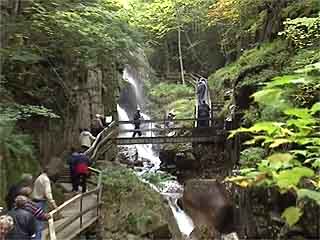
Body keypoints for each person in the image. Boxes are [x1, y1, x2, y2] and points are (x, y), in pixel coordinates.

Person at [31, 167, 57, 240]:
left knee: (36, 223)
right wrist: (53, 204)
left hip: (35, 201)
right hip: (40, 202)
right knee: (39, 224)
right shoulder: (46, 180)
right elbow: (48, 193)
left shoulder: (40, 177)